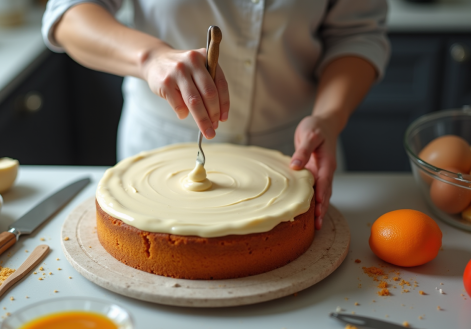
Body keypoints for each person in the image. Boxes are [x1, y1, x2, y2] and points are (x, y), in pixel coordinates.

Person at [42, 0, 390, 230]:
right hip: (158, 152)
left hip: (297, 153)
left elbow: (355, 34)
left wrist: (329, 116)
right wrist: (149, 57)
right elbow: (68, 13)